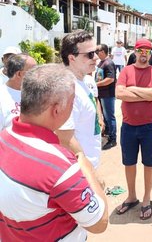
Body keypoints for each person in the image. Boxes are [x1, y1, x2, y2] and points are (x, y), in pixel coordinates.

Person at [0, 64, 108, 241]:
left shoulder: (5, 137)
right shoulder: (61, 167)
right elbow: (99, 223)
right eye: (73, 101)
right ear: (56, 109)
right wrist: (86, 166)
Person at [116, 38, 152, 220]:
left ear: (150, 54)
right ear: (135, 52)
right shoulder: (126, 71)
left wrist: (132, 90)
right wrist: (145, 94)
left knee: (149, 164)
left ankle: (146, 199)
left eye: (147, 52)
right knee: (129, 163)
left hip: (149, 127)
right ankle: (132, 196)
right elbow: (119, 94)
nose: (144, 55)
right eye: (140, 51)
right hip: (128, 126)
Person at [56, 30, 104, 168]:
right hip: (79, 170)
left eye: (96, 52)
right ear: (72, 58)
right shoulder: (67, 89)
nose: (96, 57)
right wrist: (90, 173)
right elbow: (64, 138)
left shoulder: (84, 82)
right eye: (90, 54)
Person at [0, 53, 37, 130]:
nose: (37, 75)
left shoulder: (36, 94)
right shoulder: (2, 98)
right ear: (19, 74)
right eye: (33, 71)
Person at [96, 43, 117, 150]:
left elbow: (110, 79)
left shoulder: (108, 63)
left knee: (109, 116)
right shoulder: (101, 63)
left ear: (103, 52)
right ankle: (108, 133)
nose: (95, 53)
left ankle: (113, 139)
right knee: (105, 116)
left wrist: (96, 84)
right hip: (102, 94)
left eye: (97, 51)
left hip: (108, 94)